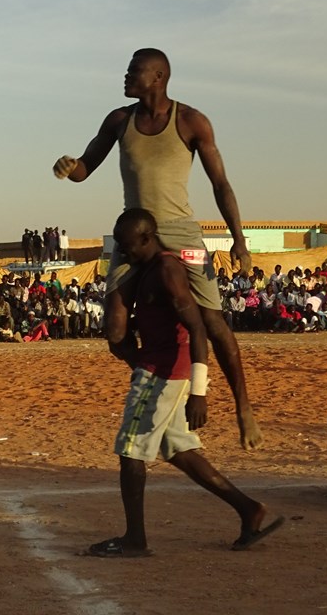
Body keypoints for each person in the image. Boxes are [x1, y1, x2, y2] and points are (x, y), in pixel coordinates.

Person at [54, 48, 262, 450]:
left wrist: (239, 240)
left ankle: (243, 408)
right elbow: (84, 169)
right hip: (133, 234)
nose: (126, 77)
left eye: (134, 71)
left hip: (180, 232)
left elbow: (221, 184)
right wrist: (68, 167)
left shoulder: (190, 121)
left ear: (159, 76)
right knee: (114, 329)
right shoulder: (119, 120)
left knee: (213, 322)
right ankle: (154, 373)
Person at [85, 209, 283, 558]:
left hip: (162, 372)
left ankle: (135, 539)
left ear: (148, 239)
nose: (123, 253)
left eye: (128, 246)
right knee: (178, 451)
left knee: (130, 451)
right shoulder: (149, 268)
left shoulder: (166, 269)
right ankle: (248, 509)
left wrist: (199, 392)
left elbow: (197, 327)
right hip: (165, 369)